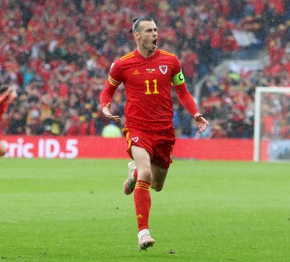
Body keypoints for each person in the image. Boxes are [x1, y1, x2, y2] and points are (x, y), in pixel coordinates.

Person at [99, 17, 209, 251]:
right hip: (138, 127)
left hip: (164, 130)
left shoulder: (171, 61)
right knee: (146, 173)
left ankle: (133, 173)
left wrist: (195, 114)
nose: (155, 34)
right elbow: (107, 91)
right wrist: (105, 106)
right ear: (136, 36)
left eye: (156, 29)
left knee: (156, 185)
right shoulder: (122, 64)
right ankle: (143, 232)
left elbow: (183, 92)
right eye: (149, 30)